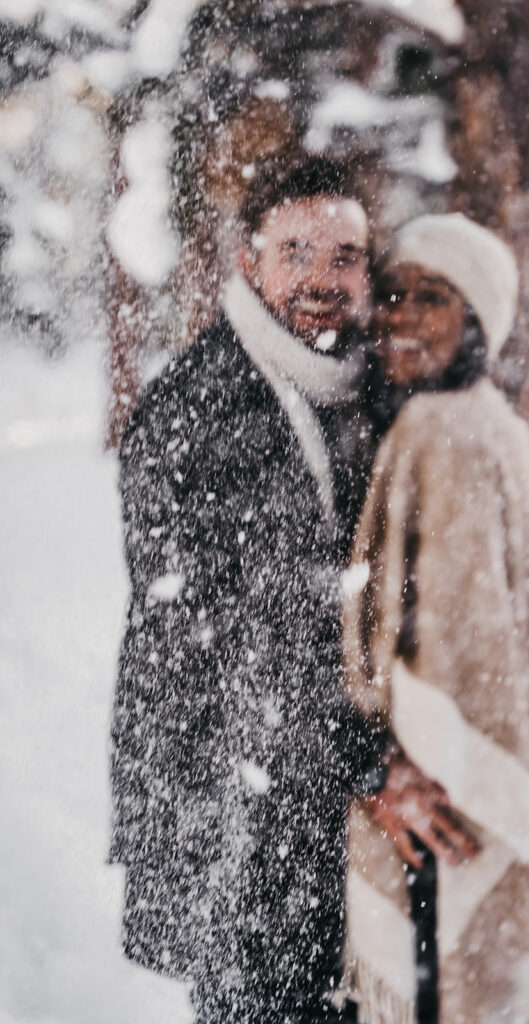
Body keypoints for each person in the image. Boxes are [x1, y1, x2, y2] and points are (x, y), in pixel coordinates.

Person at [108, 158, 389, 1024]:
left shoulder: (369, 393)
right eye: (296, 250)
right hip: (240, 797)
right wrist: (374, 764)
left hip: (339, 800)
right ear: (248, 264)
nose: (321, 277)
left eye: (344, 255)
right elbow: (249, 643)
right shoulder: (194, 413)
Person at [342, 214, 529, 1024]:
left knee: (436, 985)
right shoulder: (491, 421)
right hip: (460, 778)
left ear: (475, 320)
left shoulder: (438, 431)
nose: (401, 316)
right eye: (393, 294)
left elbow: (456, 643)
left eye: (433, 297)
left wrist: (394, 751)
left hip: (436, 800)